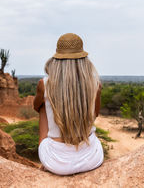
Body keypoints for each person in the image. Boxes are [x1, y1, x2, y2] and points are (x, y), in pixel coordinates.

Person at [33, 33, 103, 175]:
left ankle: (45, 157)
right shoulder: (95, 84)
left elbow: (36, 106)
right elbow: (94, 115)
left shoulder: (44, 84)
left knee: (42, 106)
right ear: (84, 59)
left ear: (57, 59)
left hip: (56, 162)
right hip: (91, 158)